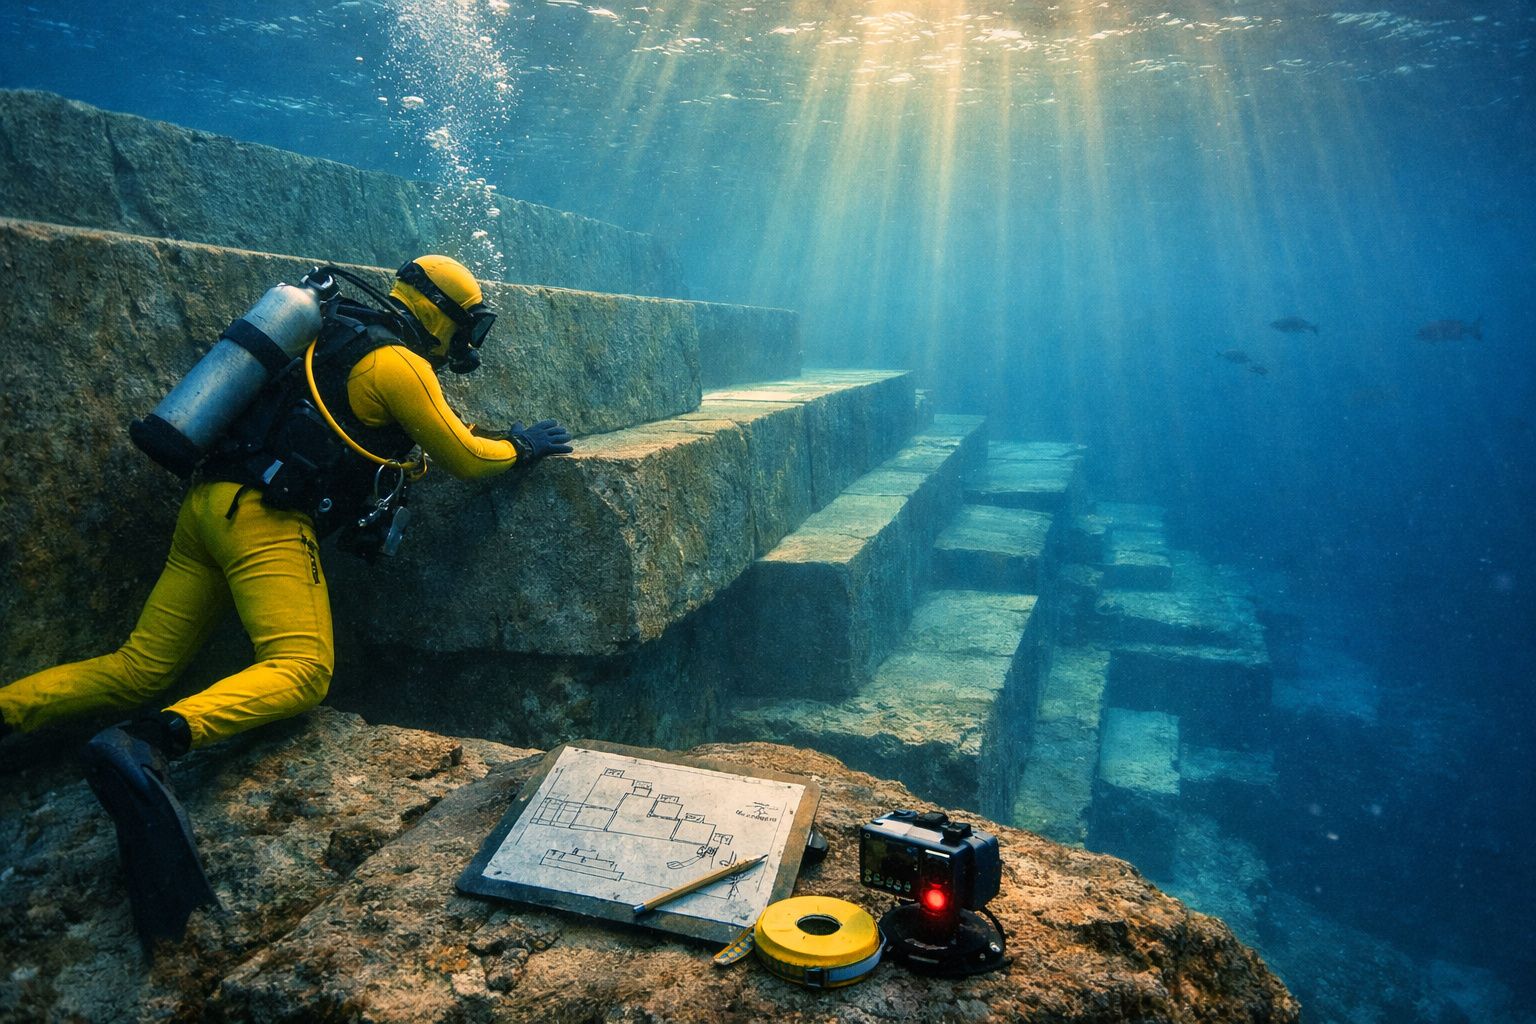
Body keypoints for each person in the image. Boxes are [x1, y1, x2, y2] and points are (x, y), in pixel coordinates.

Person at [0, 254, 572, 953]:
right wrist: (523, 446)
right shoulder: (397, 364)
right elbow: (469, 458)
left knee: (138, 666)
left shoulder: (325, 330)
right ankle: (148, 743)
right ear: (441, 313)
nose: (467, 346)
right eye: (470, 327)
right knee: (302, 670)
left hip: (207, 505)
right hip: (266, 519)